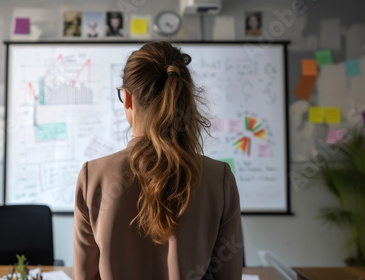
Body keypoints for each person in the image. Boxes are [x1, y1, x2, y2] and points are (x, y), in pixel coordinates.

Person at [73, 41, 243, 280]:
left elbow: (85, 276)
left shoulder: (93, 175)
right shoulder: (219, 177)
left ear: (128, 98)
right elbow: (229, 276)